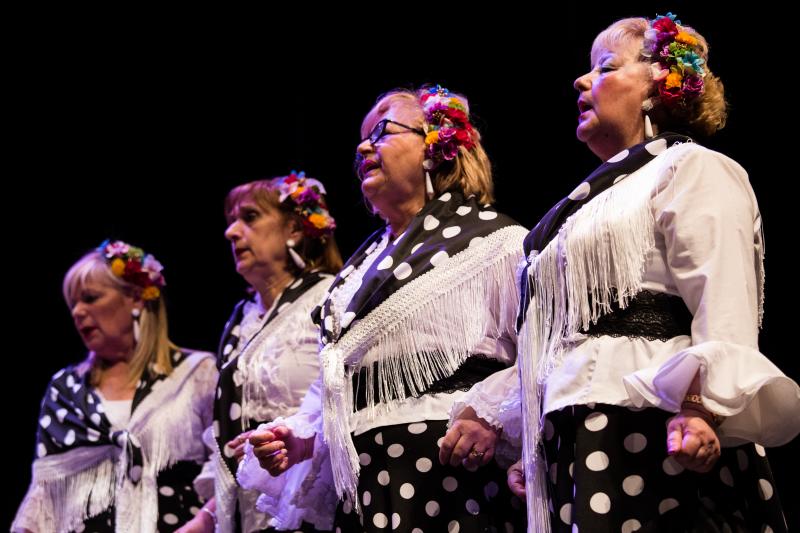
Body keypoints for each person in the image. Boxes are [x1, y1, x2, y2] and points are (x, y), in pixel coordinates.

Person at [452, 12, 800, 532]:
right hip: (573, 432)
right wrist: (513, 423)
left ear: (658, 85)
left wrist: (700, 406)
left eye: (606, 67)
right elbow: (557, 341)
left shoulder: (691, 167)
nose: (583, 80)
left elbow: (722, 292)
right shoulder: (585, 205)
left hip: (647, 422)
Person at [240, 85, 529, 532]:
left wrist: (488, 414)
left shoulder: (497, 243)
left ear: (437, 143)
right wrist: (303, 436)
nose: (362, 147)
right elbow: (338, 381)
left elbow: (540, 350)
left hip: (449, 480)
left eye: (381, 130)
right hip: (365, 486)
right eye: (362, 138)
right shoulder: (361, 269)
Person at [12, 240, 217, 533]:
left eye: (90, 298)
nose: (77, 312)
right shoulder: (67, 390)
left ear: (135, 298)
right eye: (73, 304)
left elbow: (227, 466)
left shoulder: (195, 374)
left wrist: (203, 523)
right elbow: (44, 496)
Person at [179, 173, 342, 533]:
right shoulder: (243, 318)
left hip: (311, 507)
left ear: (295, 230)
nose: (231, 232)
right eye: (231, 221)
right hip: (250, 515)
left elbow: (344, 405)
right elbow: (227, 430)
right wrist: (206, 517)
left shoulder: (330, 298)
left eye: (249, 217)